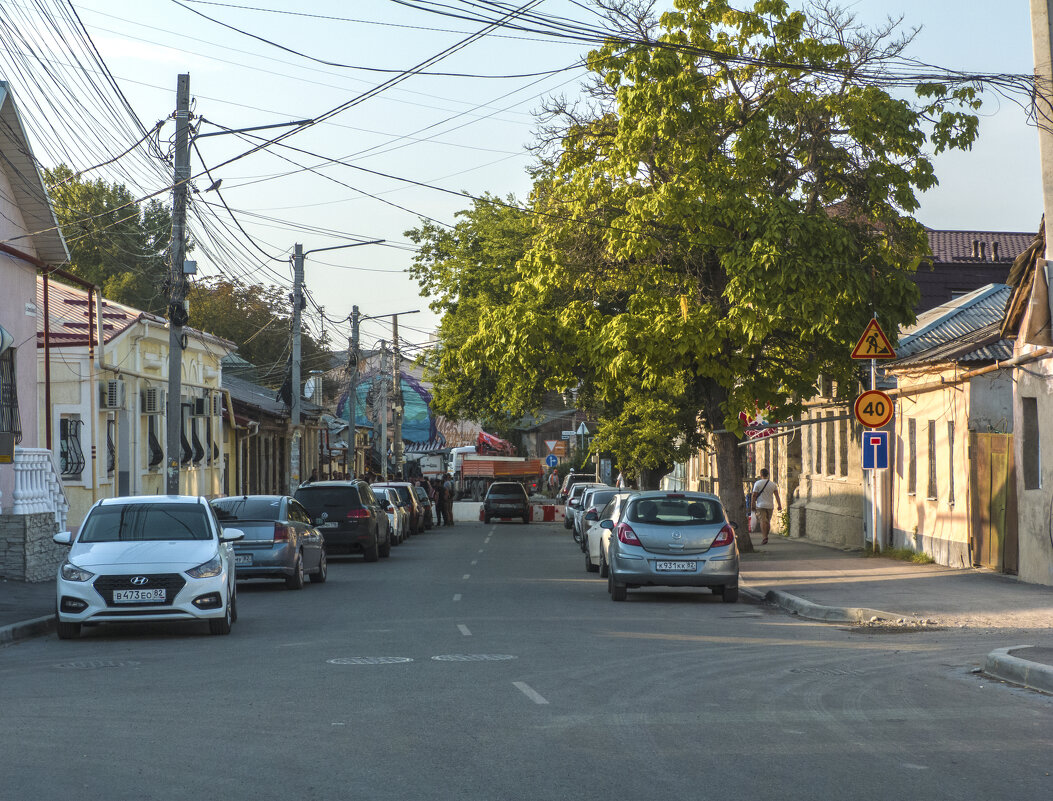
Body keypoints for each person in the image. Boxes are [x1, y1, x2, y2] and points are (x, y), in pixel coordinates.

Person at [750, 468, 782, 545]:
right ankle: (766, 536)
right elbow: (777, 495)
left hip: (760, 505)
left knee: (763, 521)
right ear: (768, 475)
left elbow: (754, 495)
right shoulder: (773, 484)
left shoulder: (757, 483)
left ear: (761, 475)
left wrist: (752, 505)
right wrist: (779, 505)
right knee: (767, 521)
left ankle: (764, 537)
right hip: (770, 505)